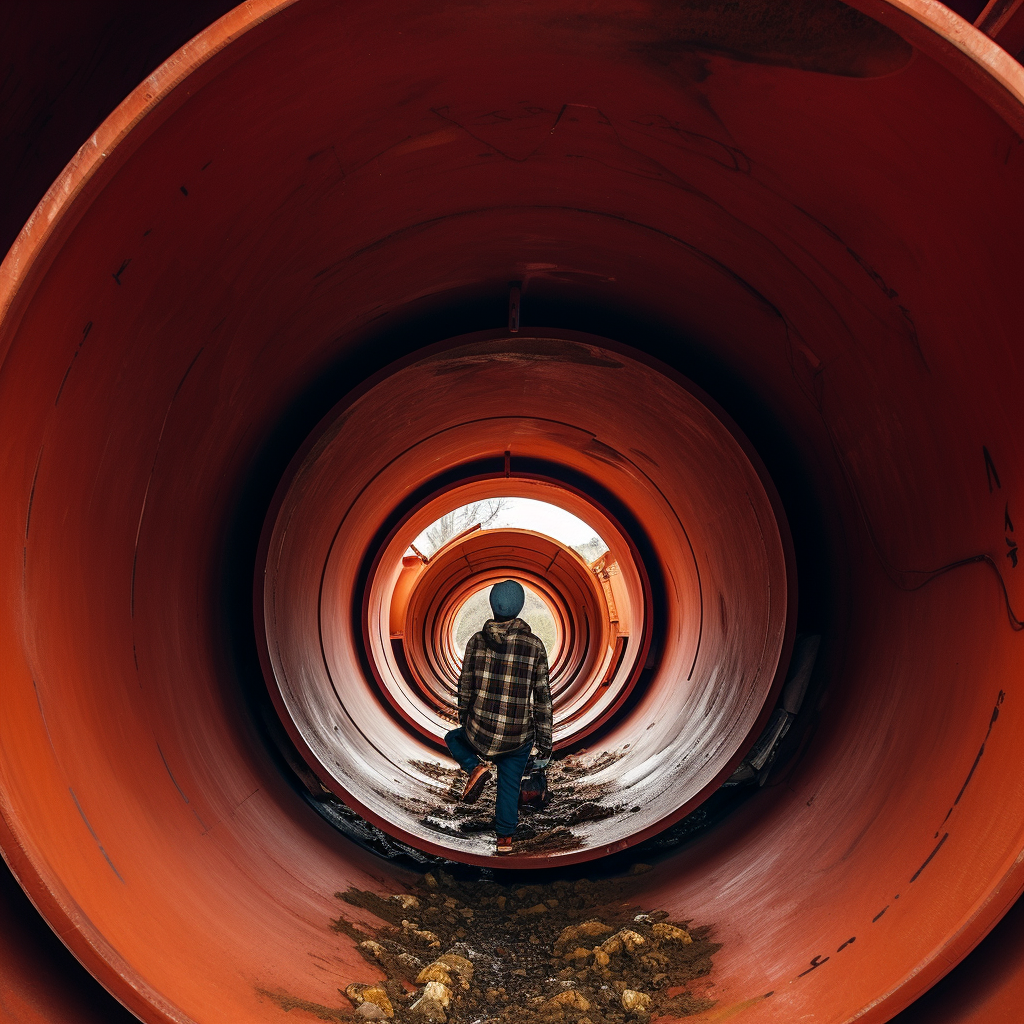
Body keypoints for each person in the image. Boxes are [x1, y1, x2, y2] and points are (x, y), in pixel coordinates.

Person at [445, 579, 552, 856]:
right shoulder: (535, 646)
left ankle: (474, 768)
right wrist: (545, 744)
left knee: (453, 738)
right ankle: (504, 840)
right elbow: (542, 699)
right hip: (517, 736)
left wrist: (467, 720)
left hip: (479, 732)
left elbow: (465, 686)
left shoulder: (476, 641)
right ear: (520, 609)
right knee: (509, 783)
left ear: (493, 606)